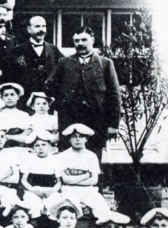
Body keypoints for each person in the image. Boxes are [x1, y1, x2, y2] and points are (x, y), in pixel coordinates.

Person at [45, 26, 121, 157]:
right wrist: (62, 103)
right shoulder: (64, 63)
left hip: (96, 120)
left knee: (94, 158)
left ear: (92, 39)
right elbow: (49, 86)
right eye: (76, 41)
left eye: (84, 40)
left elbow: (114, 95)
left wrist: (113, 124)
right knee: (67, 157)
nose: (80, 43)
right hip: (69, 119)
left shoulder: (105, 63)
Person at [56, 124, 112, 220]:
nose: (78, 139)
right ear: (69, 139)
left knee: (102, 207)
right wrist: (86, 175)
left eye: (81, 137)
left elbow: (94, 180)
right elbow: (66, 180)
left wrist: (74, 179)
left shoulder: (91, 156)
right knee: (69, 211)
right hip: (69, 190)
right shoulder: (63, 156)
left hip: (88, 190)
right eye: (74, 137)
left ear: (86, 139)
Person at [8, 16, 63, 104]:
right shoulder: (17, 51)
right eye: (37, 26)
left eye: (43, 26)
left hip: (47, 101)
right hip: (24, 100)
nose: (41, 30)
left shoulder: (54, 50)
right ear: (29, 29)